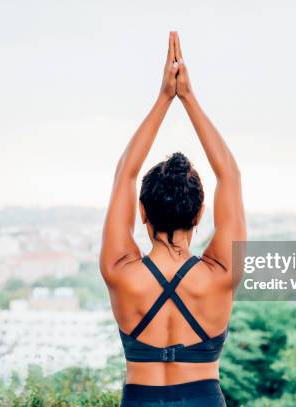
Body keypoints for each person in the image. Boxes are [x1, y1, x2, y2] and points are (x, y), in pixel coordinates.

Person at [100, 31, 246, 407]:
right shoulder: (222, 273)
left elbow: (125, 174)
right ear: (200, 214)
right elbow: (229, 174)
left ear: (141, 211)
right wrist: (188, 98)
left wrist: (164, 98)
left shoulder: (120, 271)